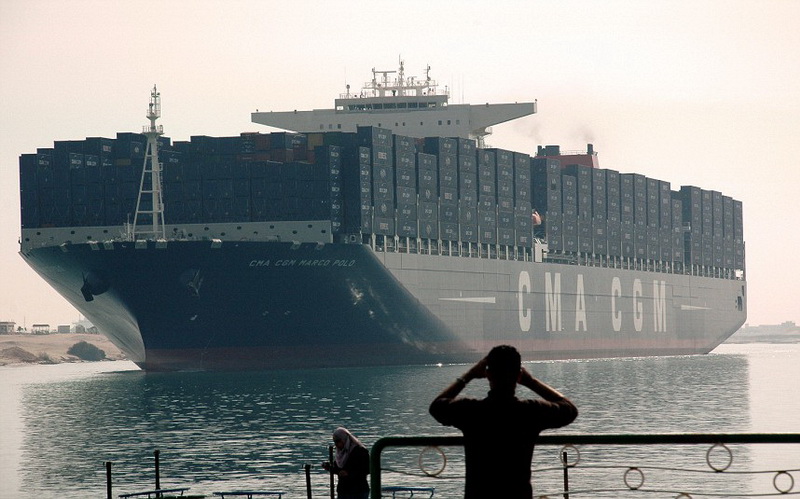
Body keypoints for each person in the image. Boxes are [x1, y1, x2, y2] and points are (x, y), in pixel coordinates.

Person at [429, 345, 578, 499]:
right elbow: (570, 409)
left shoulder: (471, 411)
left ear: (487, 374)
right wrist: (531, 382)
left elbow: (436, 407)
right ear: (519, 375)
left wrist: (468, 376)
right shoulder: (531, 412)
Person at [322, 427, 370, 499]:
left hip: (358, 490)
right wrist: (329, 467)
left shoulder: (360, 451)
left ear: (344, 439)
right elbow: (338, 469)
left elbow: (368, 469)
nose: (337, 444)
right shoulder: (340, 454)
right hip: (343, 491)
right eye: (335, 442)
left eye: (338, 441)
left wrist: (349, 473)